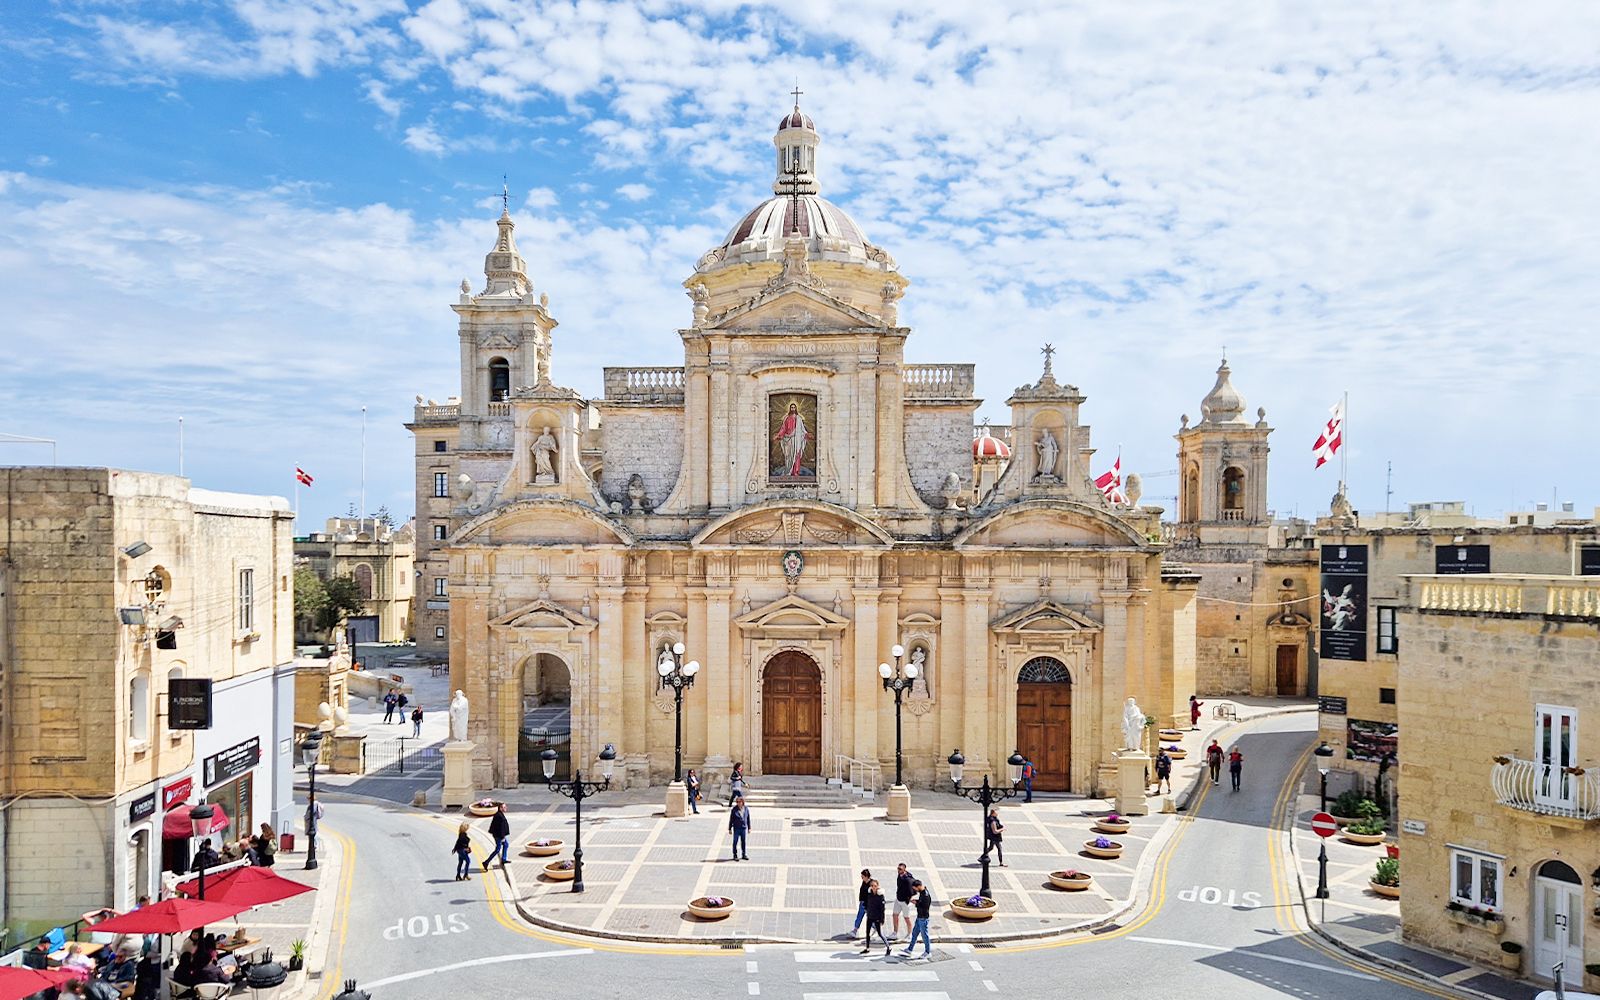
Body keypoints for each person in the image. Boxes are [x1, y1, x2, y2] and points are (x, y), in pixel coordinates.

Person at [899, 878, 933, 959]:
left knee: (924, 935)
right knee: (914, 933)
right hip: (919, 917)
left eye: (915, 889)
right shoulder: (922, 893)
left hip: (923, 918)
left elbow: (924, 906)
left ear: (919, 886)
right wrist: (917, 901)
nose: (915, 891)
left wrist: (916, 903)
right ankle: (910, 949)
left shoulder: (925, 895)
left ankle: (927, 952)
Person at [860, 878, 890, 955]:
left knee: (880, 933)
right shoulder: (869, 894)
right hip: (870, 916)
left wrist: (882, 919)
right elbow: (868, 903)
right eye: (872, 885)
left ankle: (888, 947)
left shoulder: (880, 896)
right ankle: (867, 948)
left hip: (877, 917)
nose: (873, 887)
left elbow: (882, 909)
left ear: (877, 886)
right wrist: (866, 908)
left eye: (875, 886)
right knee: (867, 933)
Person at [483, 803, 511, 870]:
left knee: (506, 845)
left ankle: (504, 859)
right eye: (504, 807)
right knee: (497, 849)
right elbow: (500, 828)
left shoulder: (499, 814)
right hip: (499, 836)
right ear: (500, 808)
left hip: (499, 835)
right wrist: (502, 837)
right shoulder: (499, 816)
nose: (506, 808)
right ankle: (486, 862)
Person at [892, 863, 915, 940]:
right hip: (898, 899)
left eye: (900, 869)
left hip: (905, 902)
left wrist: (908, 900)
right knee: (895, 915)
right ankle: (895, 933)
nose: (898, 870)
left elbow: (912, 891)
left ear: (904, 869)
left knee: (906, 918)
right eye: (898, 868)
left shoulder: (908, 880)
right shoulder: (900, 875)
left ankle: (909, 933)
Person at [849, 869, 872, 939]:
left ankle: (878, 929)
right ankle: (855, 930)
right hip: (862, 903)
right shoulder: (864, 882)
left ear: (866, 876)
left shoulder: (872, 884)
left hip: (868, 905)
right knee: (859, 917)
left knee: (871, 919)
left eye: (862, 877)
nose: (861, 878)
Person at [728, 795, 751, 861]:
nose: (738, 803)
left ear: (742, 802)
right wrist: (729, 828)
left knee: (743, 841)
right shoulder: (734, 810)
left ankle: (744, 854)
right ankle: (735, 854)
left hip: (743, 828)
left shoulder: (746, 809)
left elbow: (748, 818)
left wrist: (749, 827)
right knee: (735, 841)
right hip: (737, 828)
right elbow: (731, 819)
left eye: (739, 802)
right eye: (737, 802)